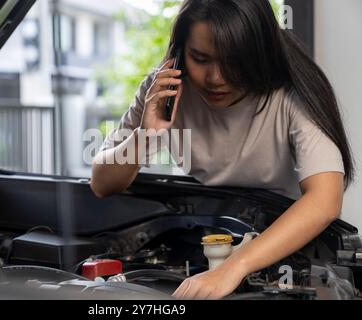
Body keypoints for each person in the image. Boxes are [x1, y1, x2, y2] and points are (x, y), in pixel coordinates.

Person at [90, 0, 354, 299]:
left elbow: (325, 200)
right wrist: (145, 134)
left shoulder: (293, 93)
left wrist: (232, 269)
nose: (216, 78)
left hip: (287, 246)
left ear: (259, 53)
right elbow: (102, 183)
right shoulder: (165, 89)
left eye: (234, 61)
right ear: (179, 53)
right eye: (200, 58)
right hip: (204, 238)